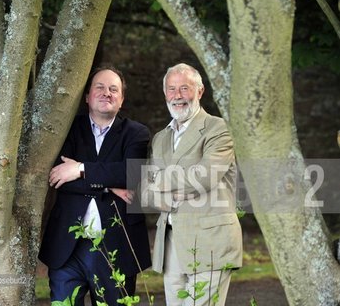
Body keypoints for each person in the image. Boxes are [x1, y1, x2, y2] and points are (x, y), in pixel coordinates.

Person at [39, 66, 151, 305]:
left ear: (121, 100)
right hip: (67, 248)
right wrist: (109, 186)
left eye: (114, 89)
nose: (106, 93)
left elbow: (130, 175)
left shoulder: (137, 134)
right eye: (99, 87)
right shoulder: (67, 130)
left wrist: (80, 169)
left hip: (116, 247)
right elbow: (58, 179)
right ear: (88, 96)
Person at [141, 63, 242, 306]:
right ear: (165, 93)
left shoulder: (218, 129)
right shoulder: (160, 138)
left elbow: (205, 175)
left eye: (184, 88)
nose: (177, 95)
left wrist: (159, 181)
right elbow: (145, 190)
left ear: (200, 91)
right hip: (172, 244)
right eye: (171, 89)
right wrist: (165, 190)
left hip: (210, 241)